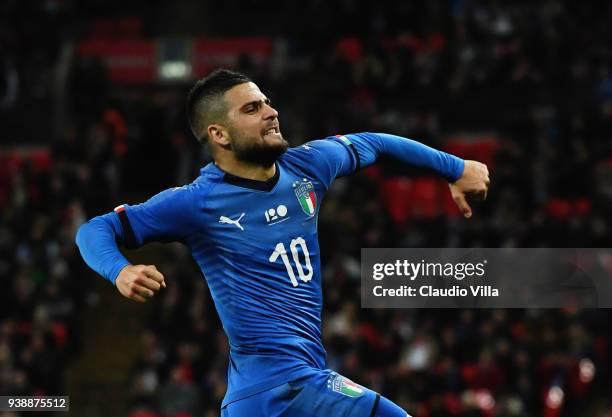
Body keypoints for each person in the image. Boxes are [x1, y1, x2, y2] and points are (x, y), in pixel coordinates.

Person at [76, 69, 490, 417]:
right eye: (252, 109)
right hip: (279, 389)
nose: (271, 112)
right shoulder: (196, 202)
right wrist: (121, 270)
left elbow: (373, 143)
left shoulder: (306, 167)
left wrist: (454, 168)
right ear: (219, 134)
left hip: (274, 394)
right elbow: (95, 230)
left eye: (267, 102)